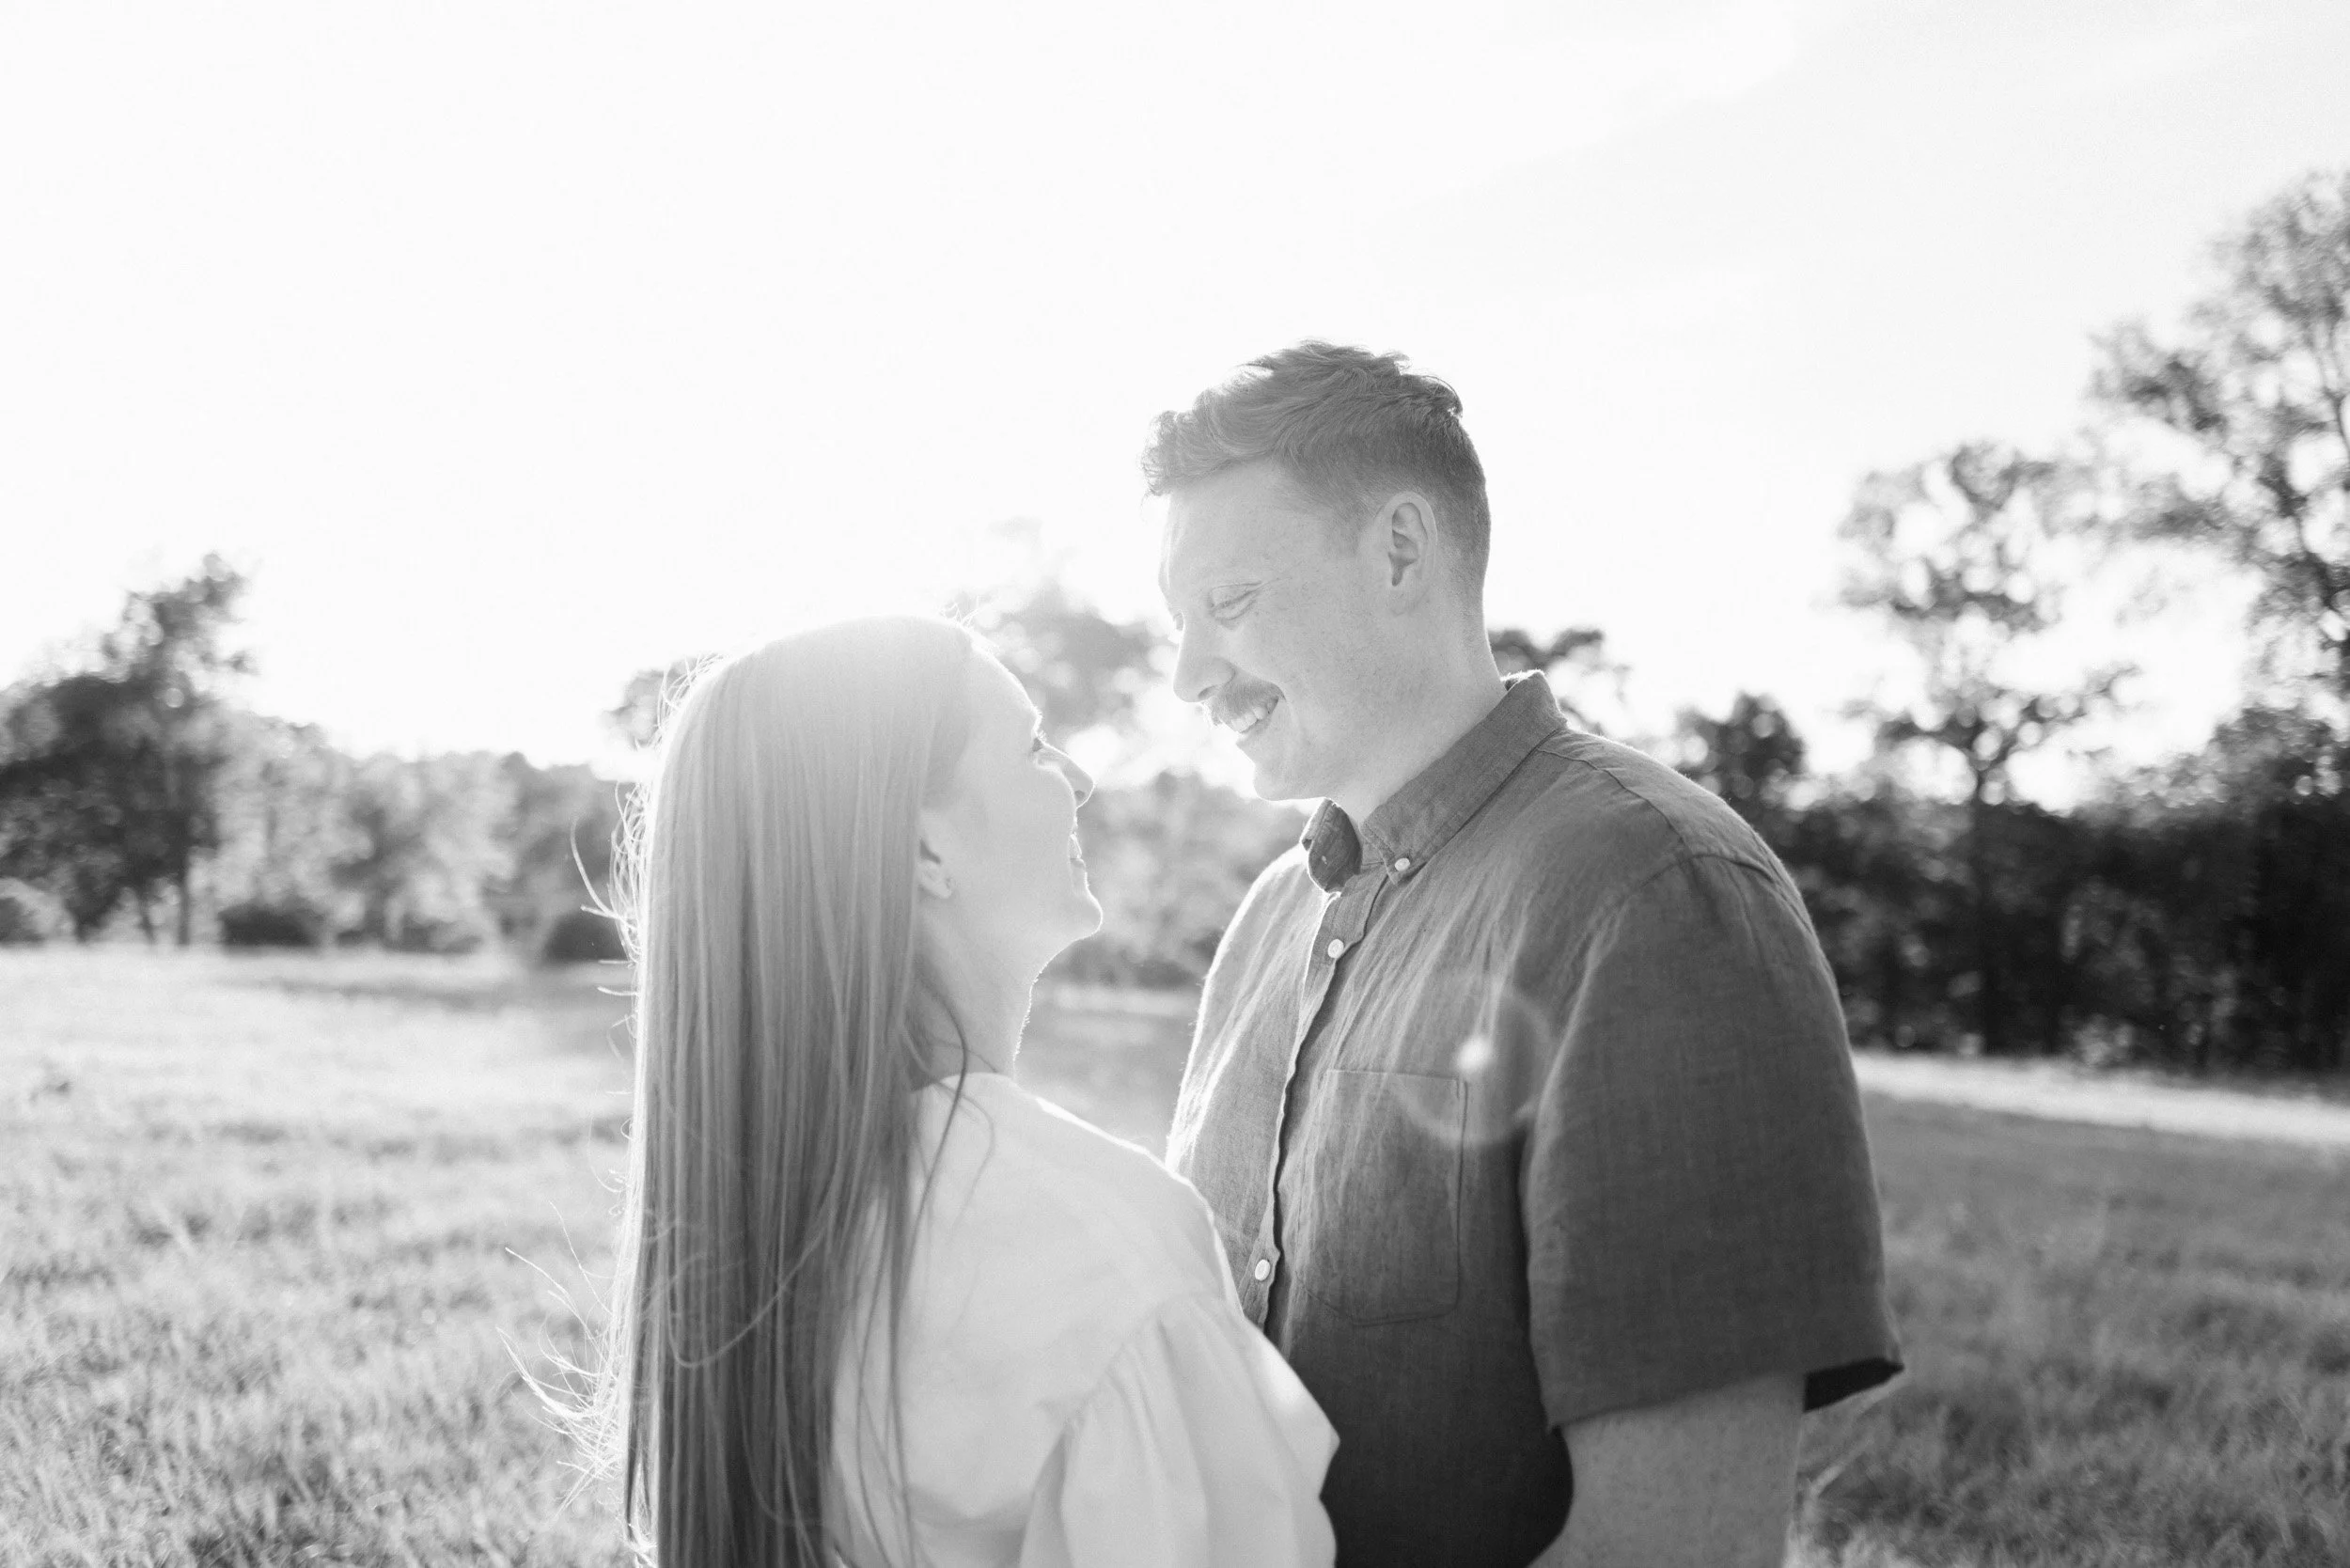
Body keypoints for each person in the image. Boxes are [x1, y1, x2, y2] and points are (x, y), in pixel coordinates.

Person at [1148, 343, 1903, 1568]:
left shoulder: (1657, 898)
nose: (1188, 677)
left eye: (1227, 606)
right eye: (1177, 626)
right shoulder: (1266, 920)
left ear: (1401, 550)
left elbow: (1675, 1550)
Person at [582, 617, 1337, 1568]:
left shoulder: (746, 1210)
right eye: (1029, 746)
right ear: (923, 850)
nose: (1079, 777)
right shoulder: (1104, 1250)